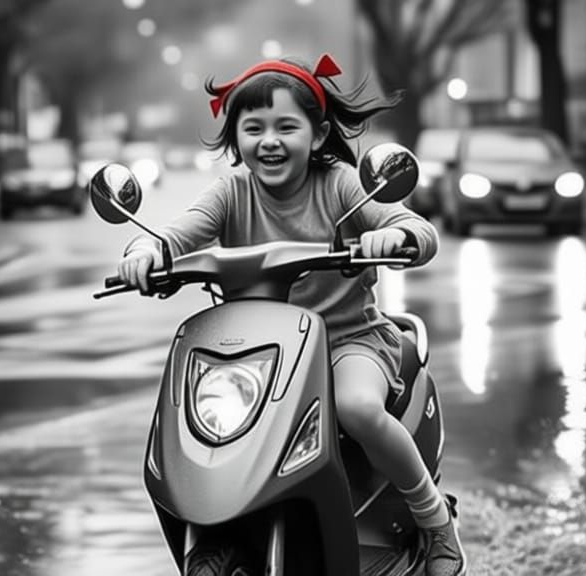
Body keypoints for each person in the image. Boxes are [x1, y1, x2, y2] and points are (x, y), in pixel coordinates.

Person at [117, 53, 465, 576]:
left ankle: (433, 518)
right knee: (202, 424)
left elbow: (416, 228)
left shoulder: (341, 185)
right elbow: (179, 233)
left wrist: (395, 235)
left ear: (318, 133)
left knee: (357, 408)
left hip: (347, 340)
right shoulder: (231, 191)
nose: (270, 141)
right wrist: (146, 253)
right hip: (260, 356)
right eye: (253, 128)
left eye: (286, 127)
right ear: (236, 137)